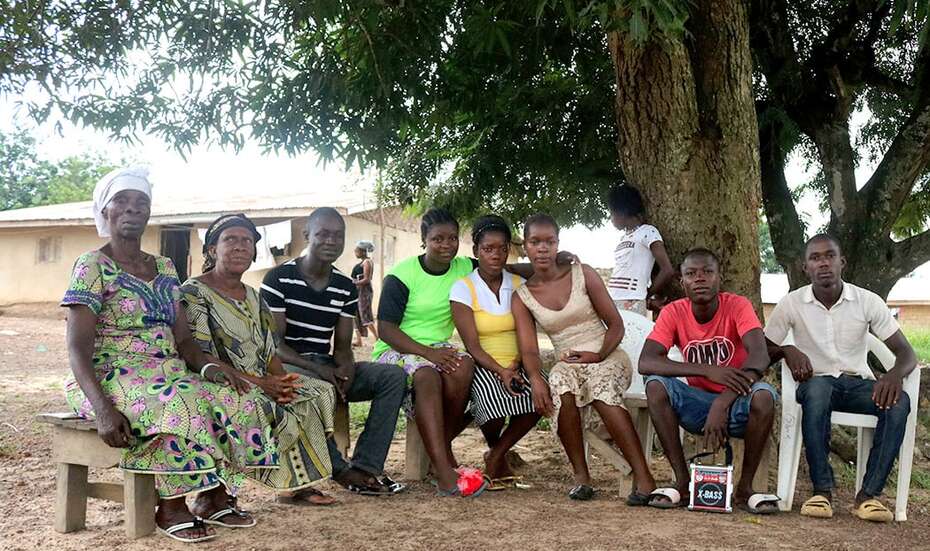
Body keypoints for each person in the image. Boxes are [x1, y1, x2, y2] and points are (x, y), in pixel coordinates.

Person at [62, 168, 276, 543]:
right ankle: (171, 504)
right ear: (105, 211)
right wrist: (102, 408)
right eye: (122, 202)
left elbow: (184, 339)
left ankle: (213, 496)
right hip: (111, 374)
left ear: (149, 213)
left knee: (240, 396)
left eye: (141, 202)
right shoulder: (91, 266)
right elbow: (77, 347)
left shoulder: (163, 267)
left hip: (168, 372)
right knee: (180, 402)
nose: (132, 209)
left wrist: (211, 368)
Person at [180, 213, 339, 506]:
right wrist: (261, 384)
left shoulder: (254, 297)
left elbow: (268, 350)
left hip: (259, 379)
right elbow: (199, 355)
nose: (240, 246)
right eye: (230, 240)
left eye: (247, 241)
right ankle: (214, 495)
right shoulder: (194, 293)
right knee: (257, 402)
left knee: (315, 391)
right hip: (215, 379)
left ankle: (296, 484)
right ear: (212, 249)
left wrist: (280, 381)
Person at [765, 234, 916, 522]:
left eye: (829, 256)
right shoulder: (792, 303)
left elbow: (906, 354)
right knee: (818, 390)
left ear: (842, 262)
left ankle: (868, 496)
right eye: (815, 258)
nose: (823, 263)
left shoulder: (866, 301)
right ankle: (821, 492)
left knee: (899, 402)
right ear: (805, 267)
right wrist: (787, 349)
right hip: (816, 383)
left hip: (857, 383)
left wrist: (894, 375)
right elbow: (763, 348)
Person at [261, 208, 407, 496]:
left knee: (393, 376)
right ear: (307, 236)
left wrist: (346, 371)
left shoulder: (344, 287)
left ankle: (366, 466)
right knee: (310, 387)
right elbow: (274, 345)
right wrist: (320, 371)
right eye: (323, 234)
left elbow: (342, 346)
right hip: (287, 367)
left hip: (324, 364)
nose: (331, 241)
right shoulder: (279, 278)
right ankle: (340, 470)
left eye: (337, 235)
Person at [511, 213, 656, 502]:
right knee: (559, 382)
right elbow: (528, 350)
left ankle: (644, 478)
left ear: (558, 244)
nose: (542, 248)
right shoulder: (523, 297)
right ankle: (582, 477)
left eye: (549, 242)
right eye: (535, 242)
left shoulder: (582, 273)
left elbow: (616, 325)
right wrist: (536, 381)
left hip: (608, 354)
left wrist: (599, 353)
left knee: (603, 390)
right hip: (569, 361)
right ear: (525, 246)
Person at [639, 248, 779, 513]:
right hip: (696, 405)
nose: (700, 278)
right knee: (656, 384)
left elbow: (760, 356)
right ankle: (682, 482)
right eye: (691, 274)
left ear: (719, 278)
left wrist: (723, 403)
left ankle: (745, 488)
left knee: (764, 394)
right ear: (682, 282)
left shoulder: (737, 305)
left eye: (707, 272)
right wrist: (707, 370)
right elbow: (646, 361)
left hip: (738, 403)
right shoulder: (673, 312)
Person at [372, 207, 487, 496]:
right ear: (423, 240)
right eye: (437, 239)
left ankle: (440, 454)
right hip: (396, 348)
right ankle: (445, 470)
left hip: (437, 348)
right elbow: (386, 329)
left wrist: (549, 263)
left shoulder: (464, 267)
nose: (446, 245)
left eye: (451, 238)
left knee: (463, 366)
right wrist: (427, 353)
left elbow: (499, 266)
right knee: (426, 375)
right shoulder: (402, 275)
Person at [450, 215, 540, 489]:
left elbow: (528, 332)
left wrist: (515, 364)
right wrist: (501, 371)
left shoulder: (517, 284)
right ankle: (498, 455)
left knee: (542, 395)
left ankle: (496, 454)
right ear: (476, 251)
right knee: (491, 398)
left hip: (519, 360)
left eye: (502, 248)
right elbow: (473, 346)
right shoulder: (463, 288)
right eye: (488, 249)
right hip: (483, 364)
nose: (496, 254)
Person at [606, 184, 675, 316]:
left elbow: (667, 270)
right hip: (613, 299)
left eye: (612, 213)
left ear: (622, 212)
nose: (612, 219)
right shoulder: (623, 238)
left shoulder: (648, 232)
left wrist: (646, 295)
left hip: (632, 300)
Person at [351, 240, 379, 347]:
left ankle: (378, 339)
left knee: (365, 315)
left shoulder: (367, 262)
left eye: (357, 250)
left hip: (364, 292)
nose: (355, 251)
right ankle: (359, 341)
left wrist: (354, 284)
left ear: (363, 251)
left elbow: (367, 279)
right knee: (356, 315)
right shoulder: (362, 262)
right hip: (358, 291)